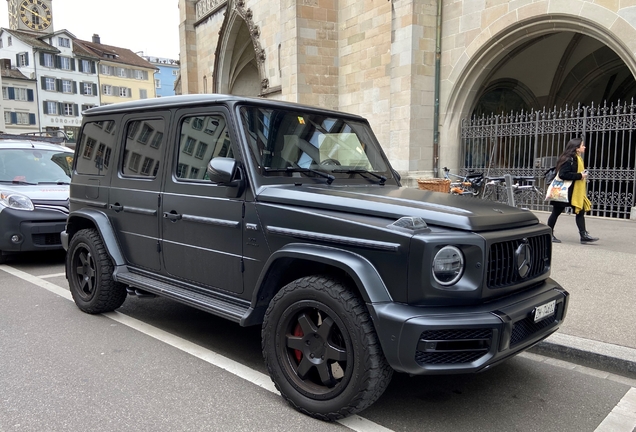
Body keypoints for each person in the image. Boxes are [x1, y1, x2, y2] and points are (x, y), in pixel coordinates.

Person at [547, 137, 599, 244]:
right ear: (576, 148)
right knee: (556, 212)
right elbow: (563, 174)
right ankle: (549, 234)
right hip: (564, 191)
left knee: (580, 210)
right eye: (582, 145)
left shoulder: (577, 158)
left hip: (573, 191)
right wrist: (580, 175)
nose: (584, 147)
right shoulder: (568, 159)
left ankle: (583, 235)